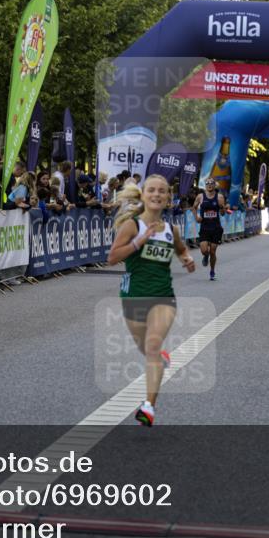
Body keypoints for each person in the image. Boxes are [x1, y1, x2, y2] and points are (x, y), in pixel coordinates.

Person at [107, 175, 195, 427]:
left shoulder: (172, 230)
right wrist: (140, 240)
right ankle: (160, 358)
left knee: (153, 347)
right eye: (152, 190)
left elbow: (180, 249)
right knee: (146, 349)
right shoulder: (132, 226)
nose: (157, 194)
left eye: (162, 191)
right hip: (133, 296)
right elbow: (112, 258)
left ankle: (148, 407)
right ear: (143, 195)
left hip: (162, 296)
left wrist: (186, 259)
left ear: (168, 198)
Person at [193, 177, 226, 281]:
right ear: (205, 185)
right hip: (204, 227)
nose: (209, 185)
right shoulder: (200, 196)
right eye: (207, 183)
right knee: (203, 250)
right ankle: (205, 256)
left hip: (216, 227)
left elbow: (223, 213)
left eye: (211, 183)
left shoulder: (219, 197)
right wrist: (196, 217)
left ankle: (212, 271)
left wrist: (222, 208)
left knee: (213, 251)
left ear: (214, 185)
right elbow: (194, 207)